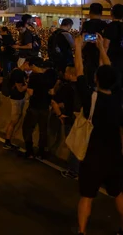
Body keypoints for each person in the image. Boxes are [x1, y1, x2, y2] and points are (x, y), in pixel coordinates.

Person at [73, 34, 123, 235]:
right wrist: (103, 49)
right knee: (119, 193)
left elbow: (79, 71)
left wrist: (78, 48)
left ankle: (82, 231)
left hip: (92, 156)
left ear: (96, 78)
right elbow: (109, 71)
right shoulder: (118, 98)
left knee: (87, 196)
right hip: (115, 156)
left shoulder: (91, 98)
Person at [22, 58, 58, 160]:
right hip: (45, 107)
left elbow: (30, 92)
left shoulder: (34, 76)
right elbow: (51, 92)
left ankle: (29, 151)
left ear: (34, 66)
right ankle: (41, 152)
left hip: (34, 106)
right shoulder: (49, 77)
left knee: (28, 129)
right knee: (43, 130)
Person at [50, 66, 80, 179]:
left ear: (70, 74)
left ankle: (73, 170)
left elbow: (54, 102)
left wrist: (59, 115)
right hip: (81, 119)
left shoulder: (66, 87)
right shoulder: (84, 87)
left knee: (72, 145)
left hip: (69, 118)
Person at [3, 59, 29, 150]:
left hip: (18, 98)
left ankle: (9, 141)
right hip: (16, 99)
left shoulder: (20, 72)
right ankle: (7, 141)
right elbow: (20, 89)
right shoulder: (18, 73)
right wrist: (28, 86)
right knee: (13, 121)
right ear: (25, 63)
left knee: (14, 120)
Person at [81, 3, 107, 86]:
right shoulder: (105, 25)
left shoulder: (86, 24)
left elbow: (83, 38)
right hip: (101, 55)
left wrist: (90, 38)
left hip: (88, 55)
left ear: (90, 12)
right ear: (101, 13)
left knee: (89, 79)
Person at [103, 3, 123, 78]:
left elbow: (105, 46)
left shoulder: (110, 27)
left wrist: (102, 61)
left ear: (111, 13)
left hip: (112, 60)